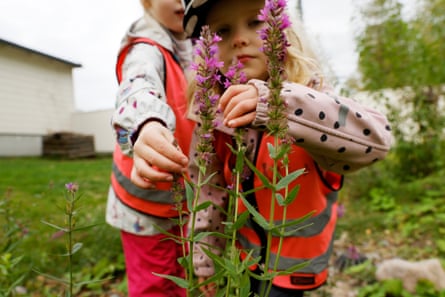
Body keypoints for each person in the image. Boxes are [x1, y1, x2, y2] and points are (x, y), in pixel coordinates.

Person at [183, 0, 393, 296]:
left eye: (255, 22)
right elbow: (207, 194)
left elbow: (377, 142)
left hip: (294, 269)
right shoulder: (214, 119)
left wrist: (278, 103)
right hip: (242, 262)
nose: (239, 39)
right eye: (223, 30)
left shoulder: (311, 96)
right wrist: (204, 263)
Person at [106, 0, 194, 296]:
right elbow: (138, 82)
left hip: (183, 199)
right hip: (142, 204)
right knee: (154, 284)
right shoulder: (145, 46)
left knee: (187, 278)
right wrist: (146, 123)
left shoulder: (193, 43)